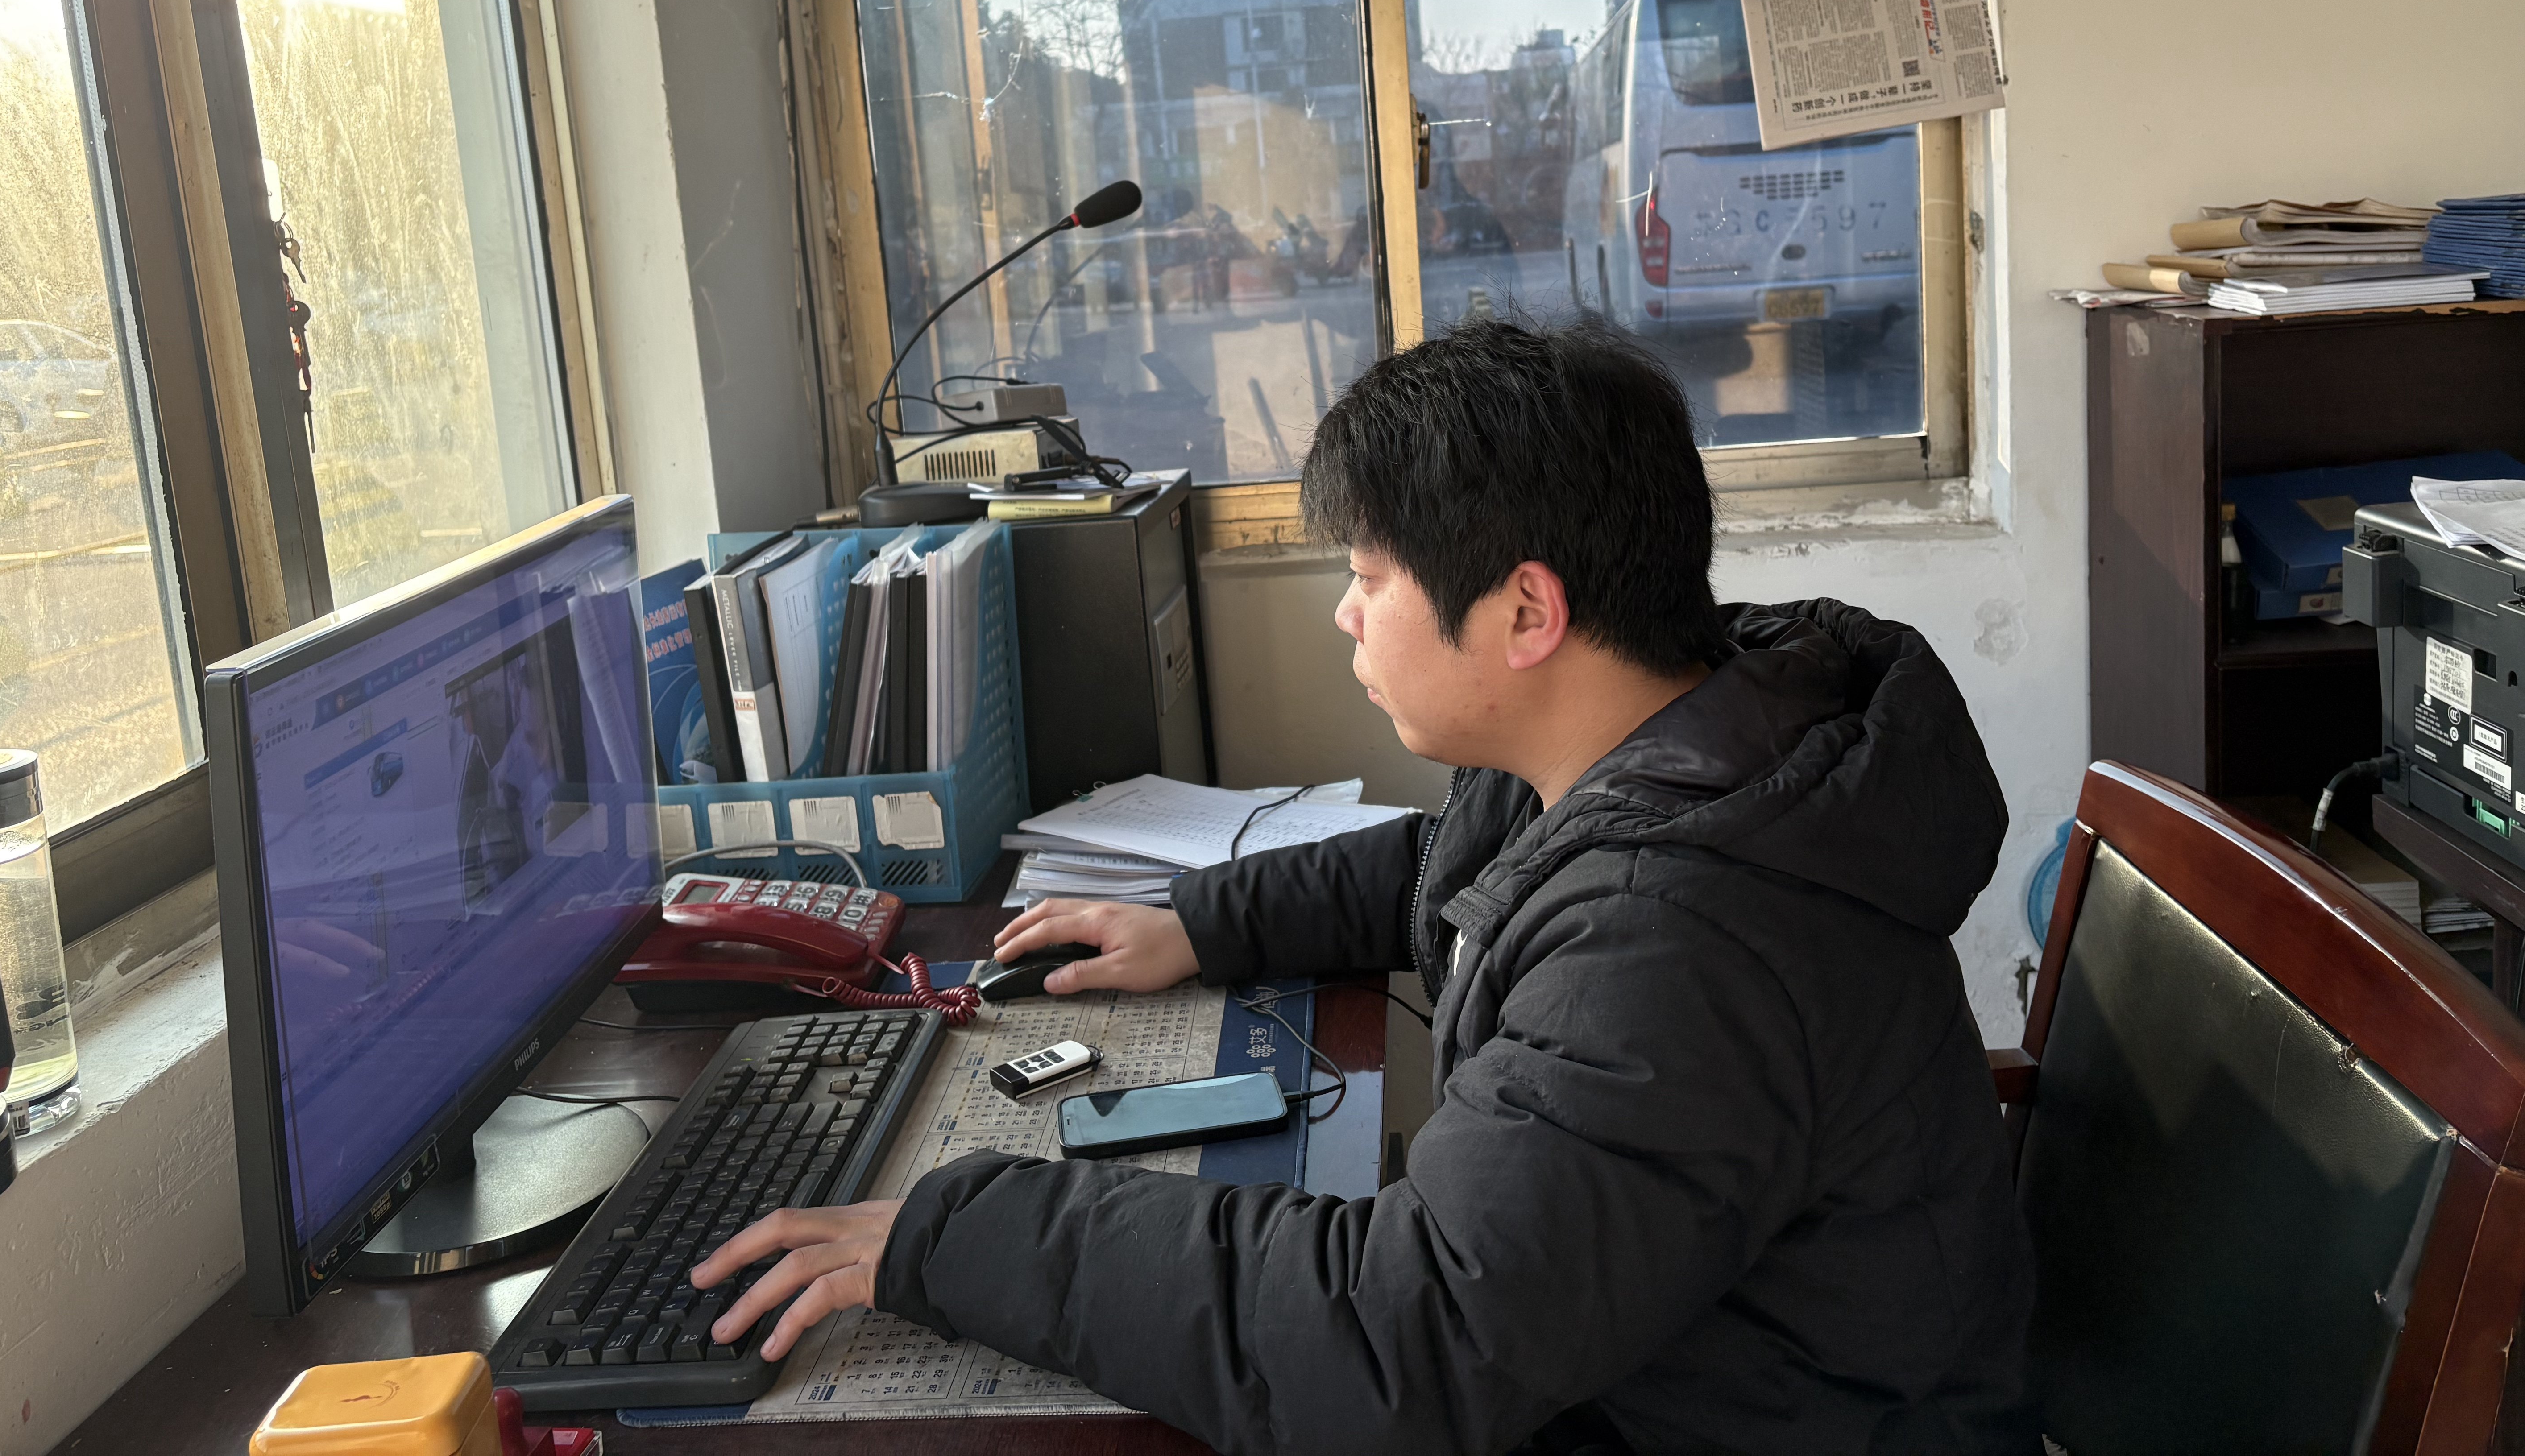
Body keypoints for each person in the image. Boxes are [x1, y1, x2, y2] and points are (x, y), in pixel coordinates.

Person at [692, 315, 2036, 1455]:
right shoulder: (1686, 735)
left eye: (1369, 575)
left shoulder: (1679, 938)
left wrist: (954, 1235)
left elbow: (1406, 1335)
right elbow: (1443, 870)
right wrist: (1197, 924)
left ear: (1527, 612)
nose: (1346, 611)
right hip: (1675, 1365)